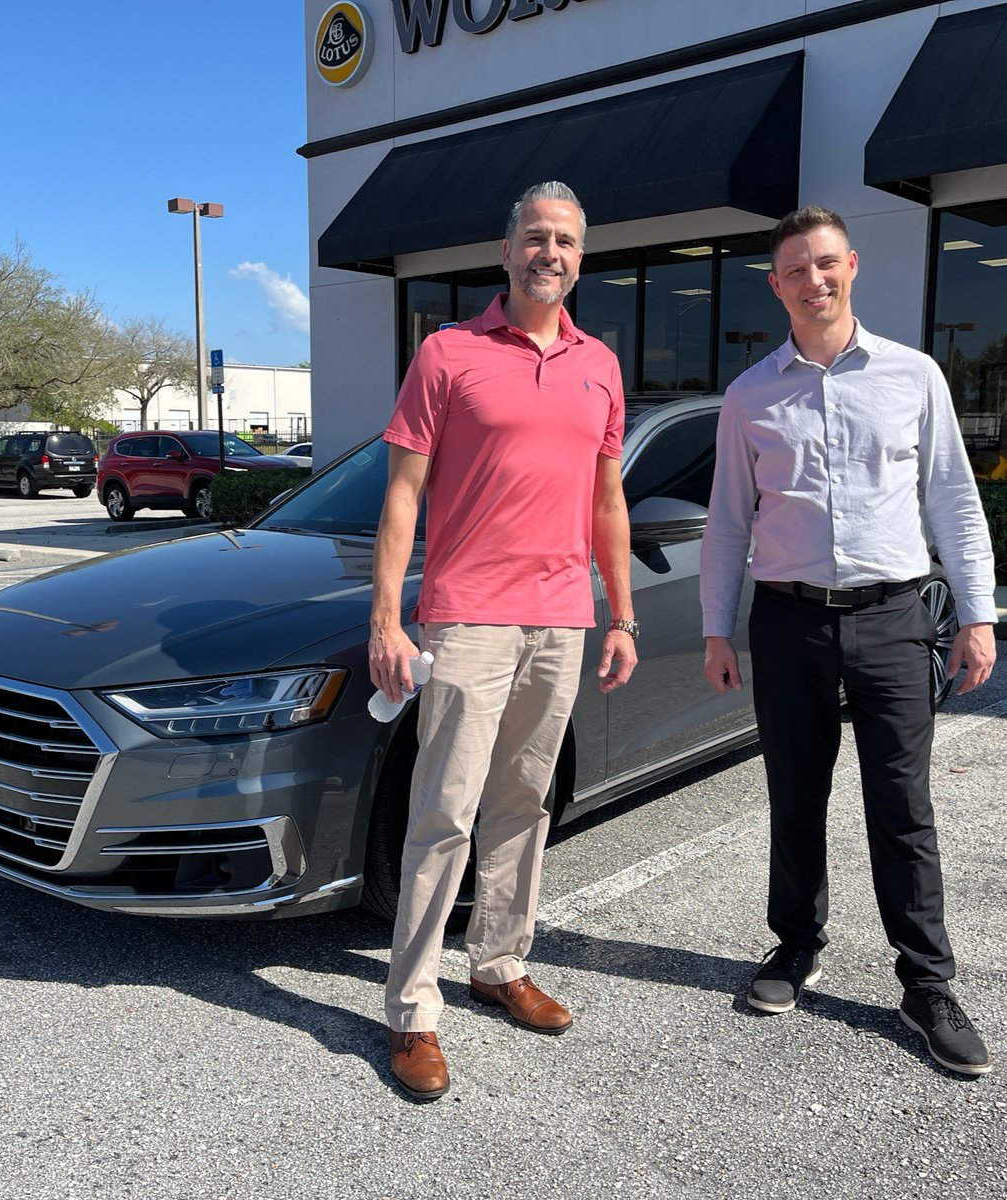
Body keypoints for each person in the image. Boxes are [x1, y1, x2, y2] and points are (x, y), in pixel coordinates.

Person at [700, 204, 996, 1076]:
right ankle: (795, 947)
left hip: (896, 617)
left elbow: (953, 499)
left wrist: (977, 614)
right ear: (775, 284)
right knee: (795, 796)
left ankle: (927, 983)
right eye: (795, 269)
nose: (813, 280)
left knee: (902, 807)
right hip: (789, 620)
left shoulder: (914, 376)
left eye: (825, 264)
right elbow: (727, 522)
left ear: (853, 266)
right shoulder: (750, 395)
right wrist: (717, 627)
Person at [369, 180, 638, 1100]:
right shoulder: (447, 354)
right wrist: (386, 619)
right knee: (444, 809)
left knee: (524, 804)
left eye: (565, 240)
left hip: (562, 616)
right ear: (507, 249)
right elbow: (402, 494)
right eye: (535, 237)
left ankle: (499, 963)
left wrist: (623, 612)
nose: (550, 252)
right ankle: (412, 1009)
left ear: (580, 256)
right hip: (468, 614)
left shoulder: (601, 364)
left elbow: (609, 501)